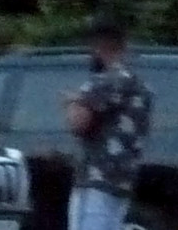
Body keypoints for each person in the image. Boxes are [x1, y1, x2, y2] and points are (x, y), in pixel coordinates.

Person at [62, 15, 154, 230]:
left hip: (96, 178)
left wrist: (72, 102)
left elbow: (79, 123)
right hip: (123, 179)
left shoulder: (104, 80)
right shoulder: (141, 86)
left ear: (98, 44)